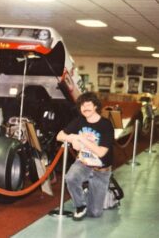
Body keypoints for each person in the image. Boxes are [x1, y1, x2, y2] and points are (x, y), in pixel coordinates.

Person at [56, 92, 114, 221]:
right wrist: (73, 138)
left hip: (101, 169)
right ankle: (80, 205)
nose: (85, 108)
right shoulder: (79, 120)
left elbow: (101, 152)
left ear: (95, 107)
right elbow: (59, 135)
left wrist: (83, 140)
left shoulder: (106, 125)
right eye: (82, 105)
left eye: (88, 105)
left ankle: (105, 194)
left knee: (94, 213)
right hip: (84, 163)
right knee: (70, 178)